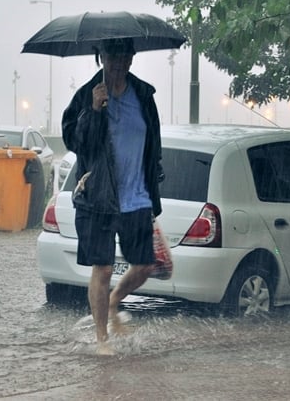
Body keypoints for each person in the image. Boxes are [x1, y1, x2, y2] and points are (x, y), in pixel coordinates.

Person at [61, 37, 164, 355]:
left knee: (146, 265)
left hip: (137, 195)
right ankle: (102, 339)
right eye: (112, 55)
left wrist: (155, 178)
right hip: (99, 197)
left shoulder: (144, 96)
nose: (120, 61)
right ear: (100, 57)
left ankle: (115, 300)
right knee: (102, 268)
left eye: (126, 55)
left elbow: (153, 143)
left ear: (132, 58)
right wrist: (92, 110)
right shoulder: (86, 95)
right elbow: (76, 143)